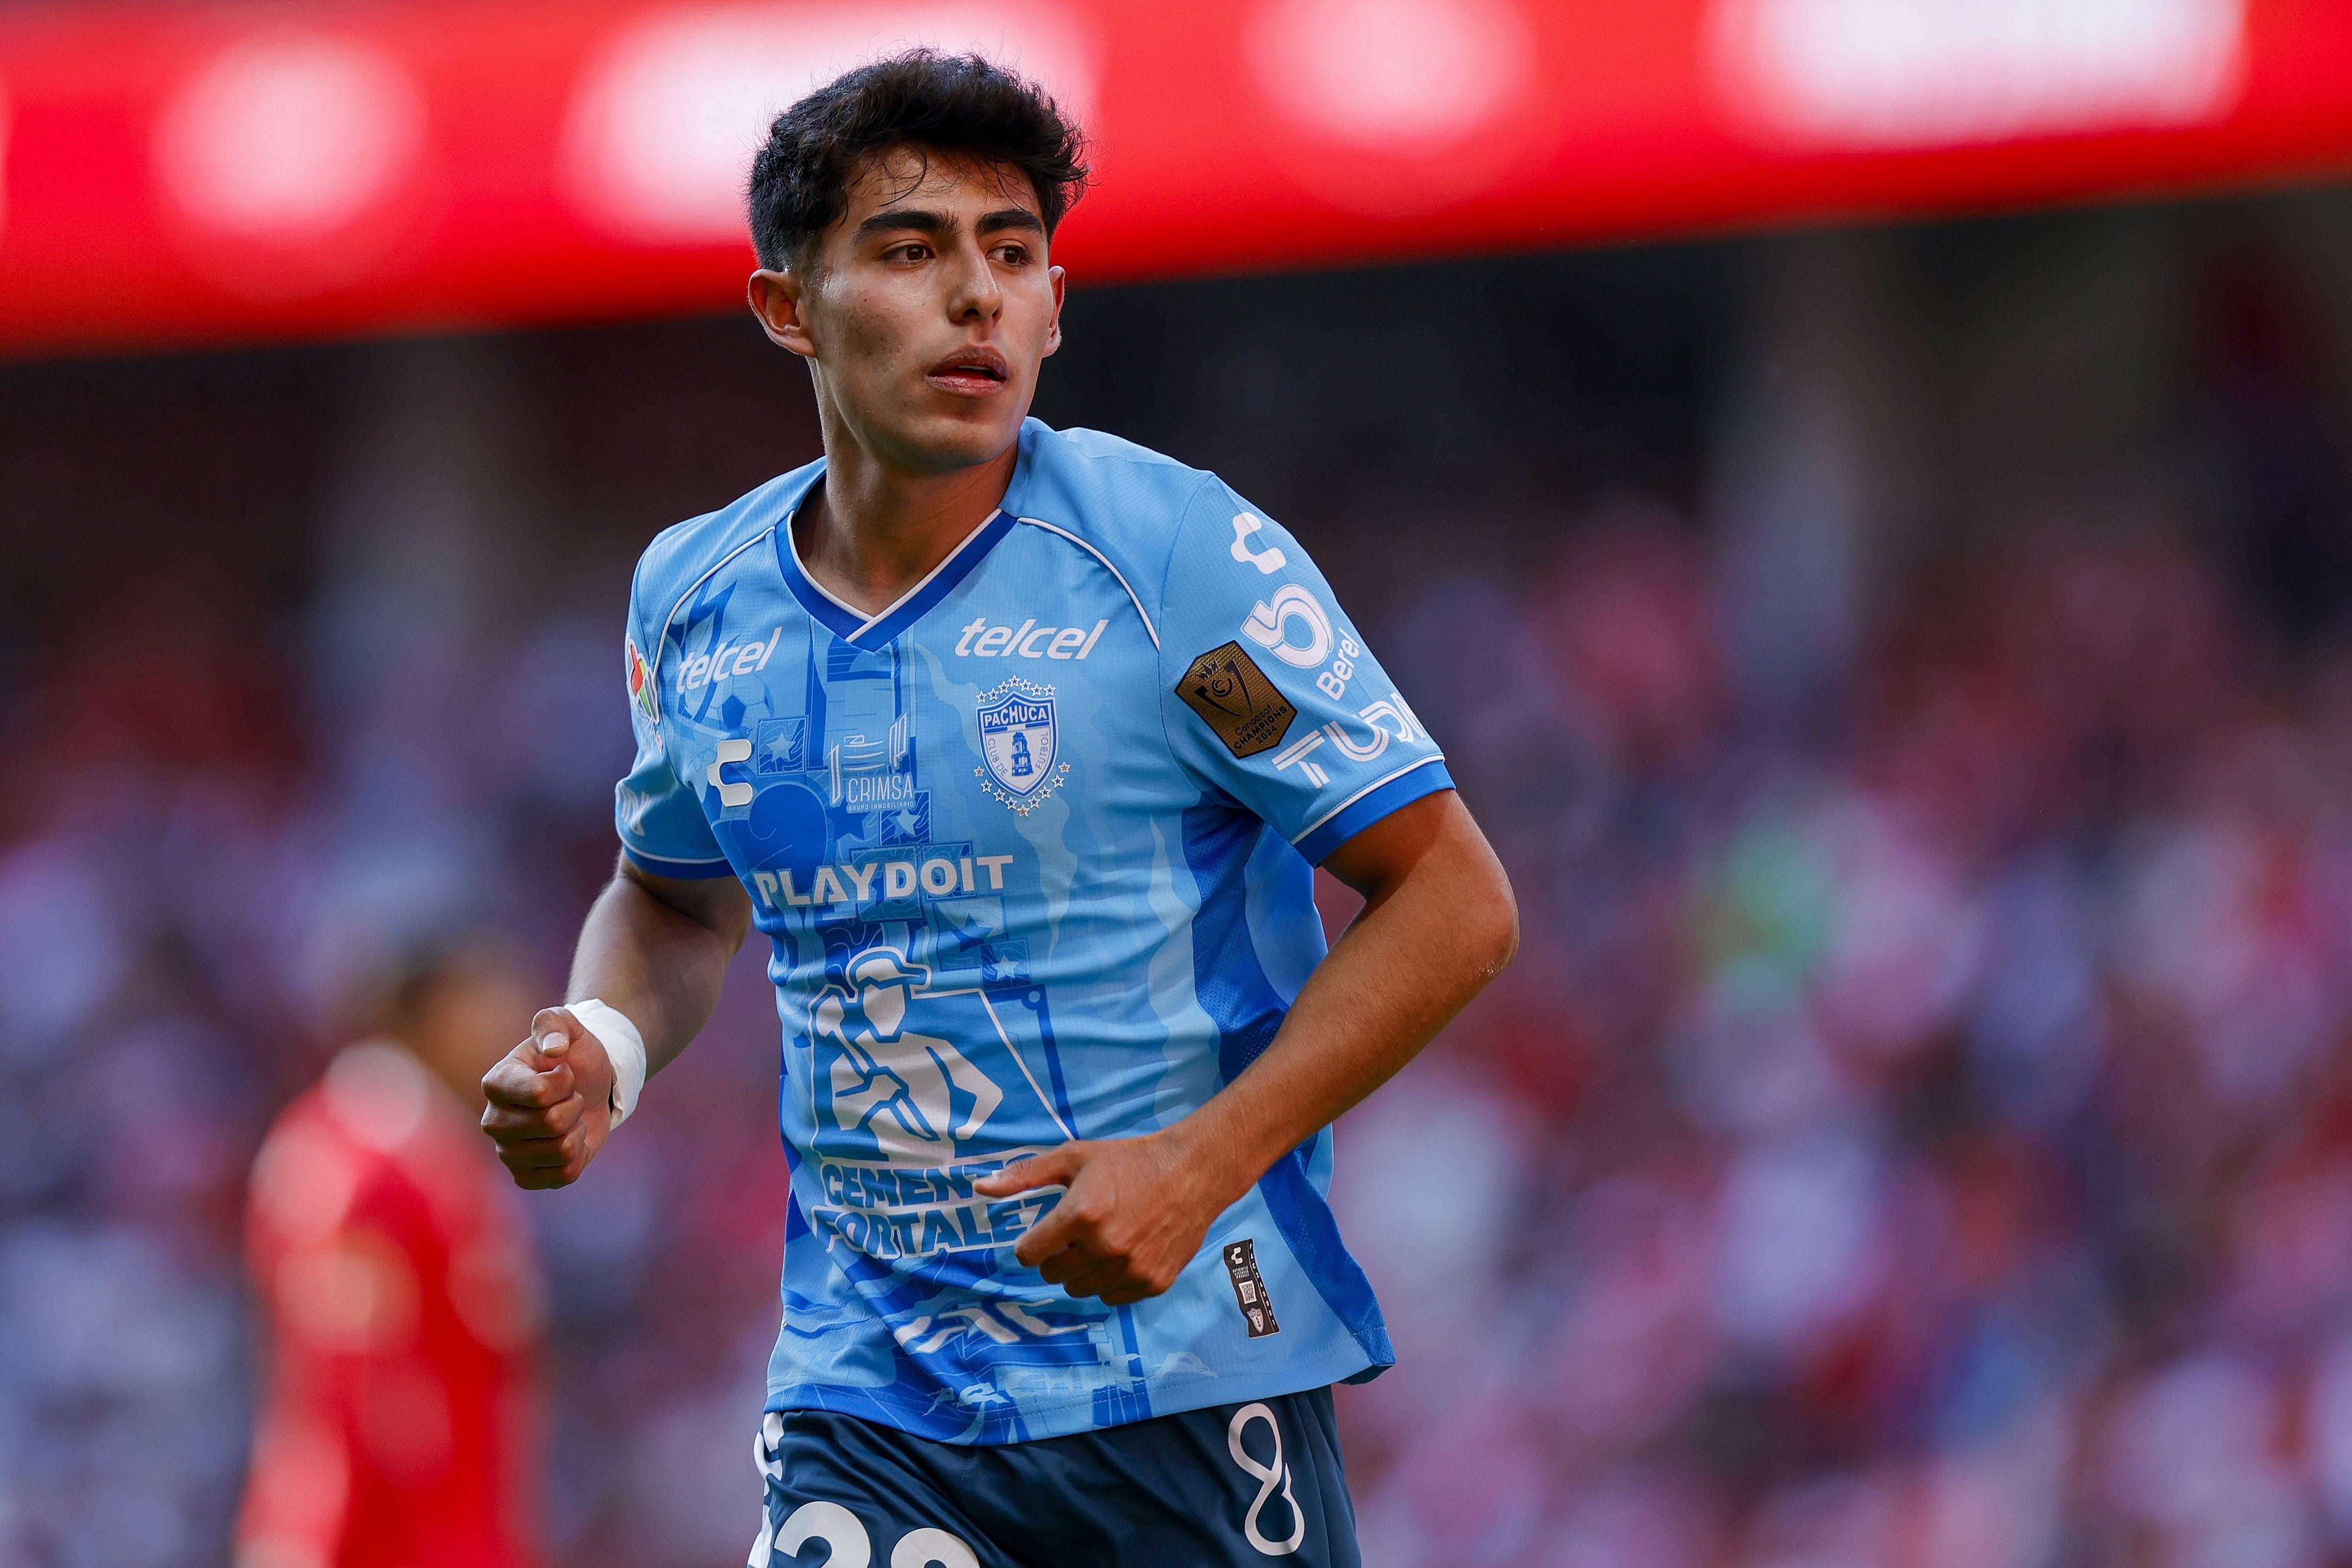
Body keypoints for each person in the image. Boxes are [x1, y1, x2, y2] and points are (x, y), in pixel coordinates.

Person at [478, 50, 1517, 1566]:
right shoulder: (693, 597)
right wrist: (605, 1039)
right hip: (866, 1396)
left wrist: (1199, 1160)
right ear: (786, 306)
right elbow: (675, 893)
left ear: (1053, 303)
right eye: (912, 252)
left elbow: (1453, 896)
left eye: (1011, 254)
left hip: (1178, 1379)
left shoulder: (1173, 556)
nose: (976, 297)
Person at [239, 942, 546, 1568]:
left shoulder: (351, 1138)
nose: (514, 1018)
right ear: (430, 1005)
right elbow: (368, 1405)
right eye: (485, 992)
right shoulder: (387, 1166)